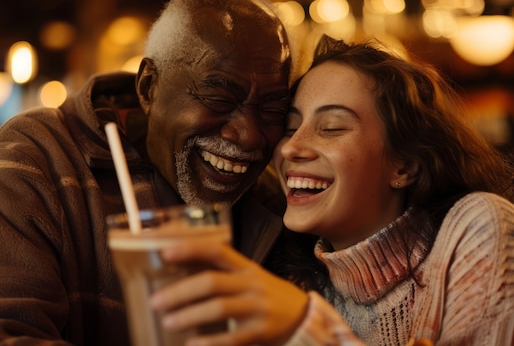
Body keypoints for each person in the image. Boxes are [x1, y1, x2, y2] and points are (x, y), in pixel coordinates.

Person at [0, 0, 295, 345]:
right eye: (219, 99)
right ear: (149, 87)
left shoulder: (273, 198)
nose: (249, 137)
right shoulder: (39, 155)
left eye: (272, 110)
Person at [149, 35, 514, 346]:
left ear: (404, 166)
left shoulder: (475, 228)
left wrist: (306, 327)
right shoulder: (298, 285)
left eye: (332, 127)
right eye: (291, 128)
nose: (292, 148)